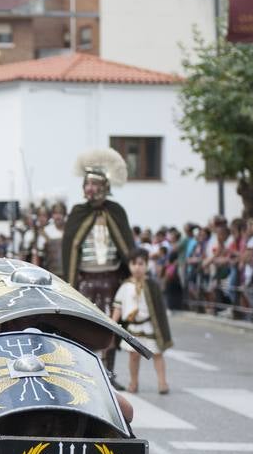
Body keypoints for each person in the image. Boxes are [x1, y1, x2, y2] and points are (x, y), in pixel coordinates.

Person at [62, 148, 137, 376]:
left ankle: (110, 373)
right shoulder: (77, 213)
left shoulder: (116, 212)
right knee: (83, 326)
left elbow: (127, 247)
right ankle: (85, 371)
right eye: (87, 184)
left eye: (95, 184)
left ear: (104, 187)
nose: (90, 189)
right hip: (85, 279)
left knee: (111, 327)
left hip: (112, 277)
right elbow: (70, 248)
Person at [111, 252, 172, 395]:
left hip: (150, 326)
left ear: (146, 265)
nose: (137, 268)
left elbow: (159, 309)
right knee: (133, 355)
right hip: (133, 327)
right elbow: (118, 306)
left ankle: (162, 382)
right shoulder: (125, 286)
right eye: (134, 264)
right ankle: (134, 382)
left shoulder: (151, 285)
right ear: (130, 266)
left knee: (157, 353)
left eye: (141, 264)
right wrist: (112, 323)